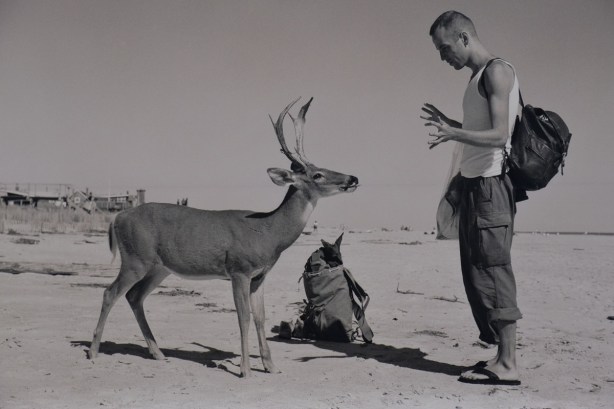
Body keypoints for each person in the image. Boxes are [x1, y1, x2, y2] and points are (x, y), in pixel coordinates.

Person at [421, 10, 522, 386]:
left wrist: (453, 134)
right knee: (478, 271)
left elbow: (500, 136)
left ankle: (509, 364)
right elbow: (484, 129)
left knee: (494, 270)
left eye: (444, 47)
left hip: (491, 186)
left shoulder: (497, 71)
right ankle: (501, 357)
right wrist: (453, 124)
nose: (443, 56)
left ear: (464, 37)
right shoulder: (477, 79)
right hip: (476, 186)